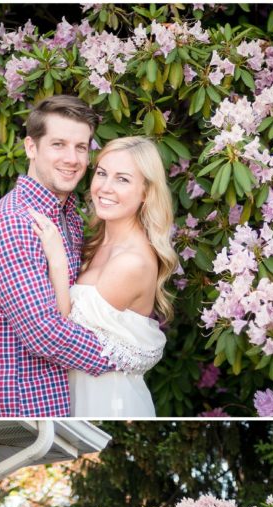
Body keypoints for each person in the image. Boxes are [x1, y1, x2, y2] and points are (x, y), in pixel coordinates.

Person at [0, 95, 117, 417]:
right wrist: (120, 357)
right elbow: (43, 332)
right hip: (21, 403)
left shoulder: (69, 216)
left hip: (55, 394)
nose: (72, 158)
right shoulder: (15, 223)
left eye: (81, 147)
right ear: (31, 147)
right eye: (58, 144)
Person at [28, 136, 177, 417]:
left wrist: (57, 262)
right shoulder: (96, 243)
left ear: (145, 192)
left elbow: (63, 333)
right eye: (102, 173)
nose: (105, 188)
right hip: (75, 394)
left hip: (108, 402)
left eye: (122, 179)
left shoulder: (132, 262)